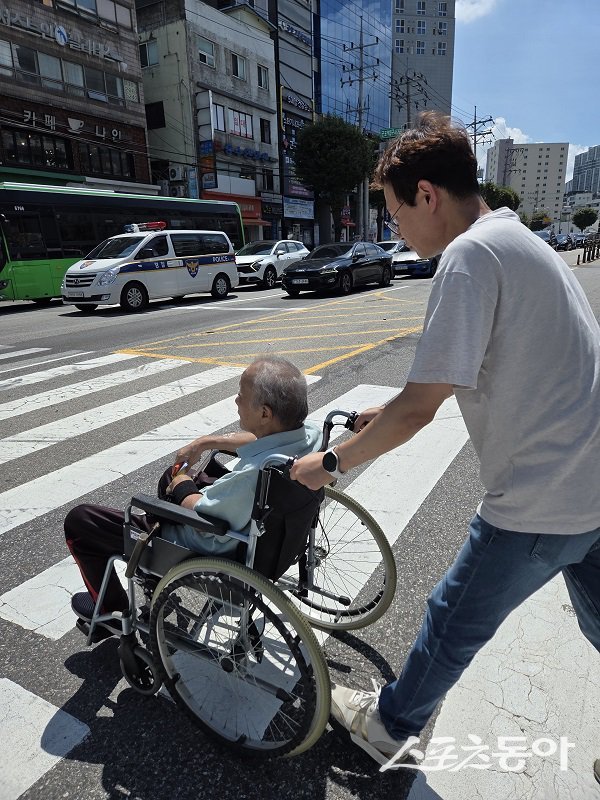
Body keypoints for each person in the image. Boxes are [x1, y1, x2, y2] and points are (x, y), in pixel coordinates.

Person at [291, 111, 600, 768]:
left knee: (450, 621)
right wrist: (390, 406)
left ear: (427, 194)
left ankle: (387, 727)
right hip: (593, 486)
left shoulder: (468, 256)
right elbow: (500, 369)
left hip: (542, 500)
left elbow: (420, 411)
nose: (393, 227)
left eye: (395, 210)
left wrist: (329, 462)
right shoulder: (519, 241)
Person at [65, 356, 321, 627]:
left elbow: (200, 512)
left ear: (265, 413)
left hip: (213, 544)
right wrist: (204, 443)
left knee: (81, 520)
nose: (236, 400)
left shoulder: (252, 476)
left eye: (241, 395)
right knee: (170, 476)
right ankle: (150, 574)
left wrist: (181, 483)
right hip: (268, 532)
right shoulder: (310, 436)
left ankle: (109, 611)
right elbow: (262, 438)